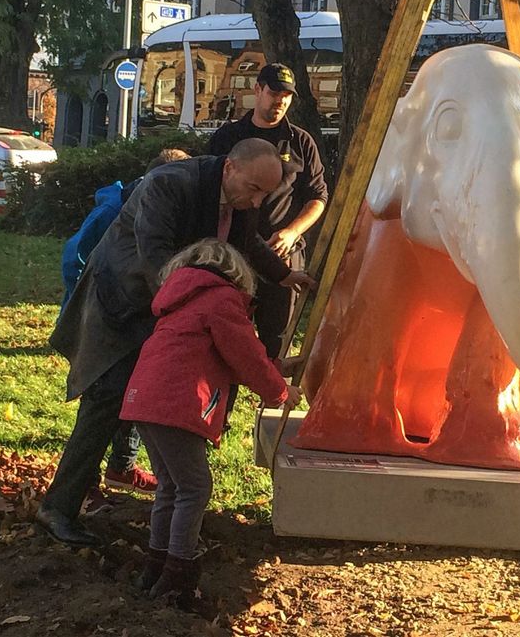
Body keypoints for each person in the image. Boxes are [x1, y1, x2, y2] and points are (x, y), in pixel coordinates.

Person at [37, 139, 314, 548]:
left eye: (264, 194)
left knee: (157, 403)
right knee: (106, 400)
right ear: (230, 168)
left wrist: (284, 275)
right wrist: (194, 312)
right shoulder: (169, 185)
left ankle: (155, 505)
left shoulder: (239, 199)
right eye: (254, 189)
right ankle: (58, 508)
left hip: (168, 307)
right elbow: (155, 257)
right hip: (122, 304)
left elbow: (247, 241)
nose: (256, 201)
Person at [119, 239, 301, 611]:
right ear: (237, 275)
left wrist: (278, 371)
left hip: (144, 400)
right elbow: (246, 357)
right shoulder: (221, 299)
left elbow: (222, 356)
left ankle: (155, 568)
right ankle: (178, 576)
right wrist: (280, 393)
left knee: (170, 486)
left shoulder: (180, 301)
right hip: (177, 403)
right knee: (194, 488)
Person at [59, 148, 191, 508]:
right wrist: (87, 296)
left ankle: (121, 466)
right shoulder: (114, 210)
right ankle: (82, 489)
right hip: (100, 316)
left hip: (134, 318)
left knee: (130, 396)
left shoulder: (162, 211)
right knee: (102, 397)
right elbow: (76, 255)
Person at [207, 63, 328, 357]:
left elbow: (319, 197)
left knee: (278, 338)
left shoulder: (302, 141)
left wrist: (292, 232)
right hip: (235, 251)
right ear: (257, 89)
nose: (280, 101)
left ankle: (271, 394)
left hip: (283, 253)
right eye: (274, 92)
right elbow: (210, 191)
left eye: (287, 95)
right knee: (228, 334)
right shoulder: (227, 138)